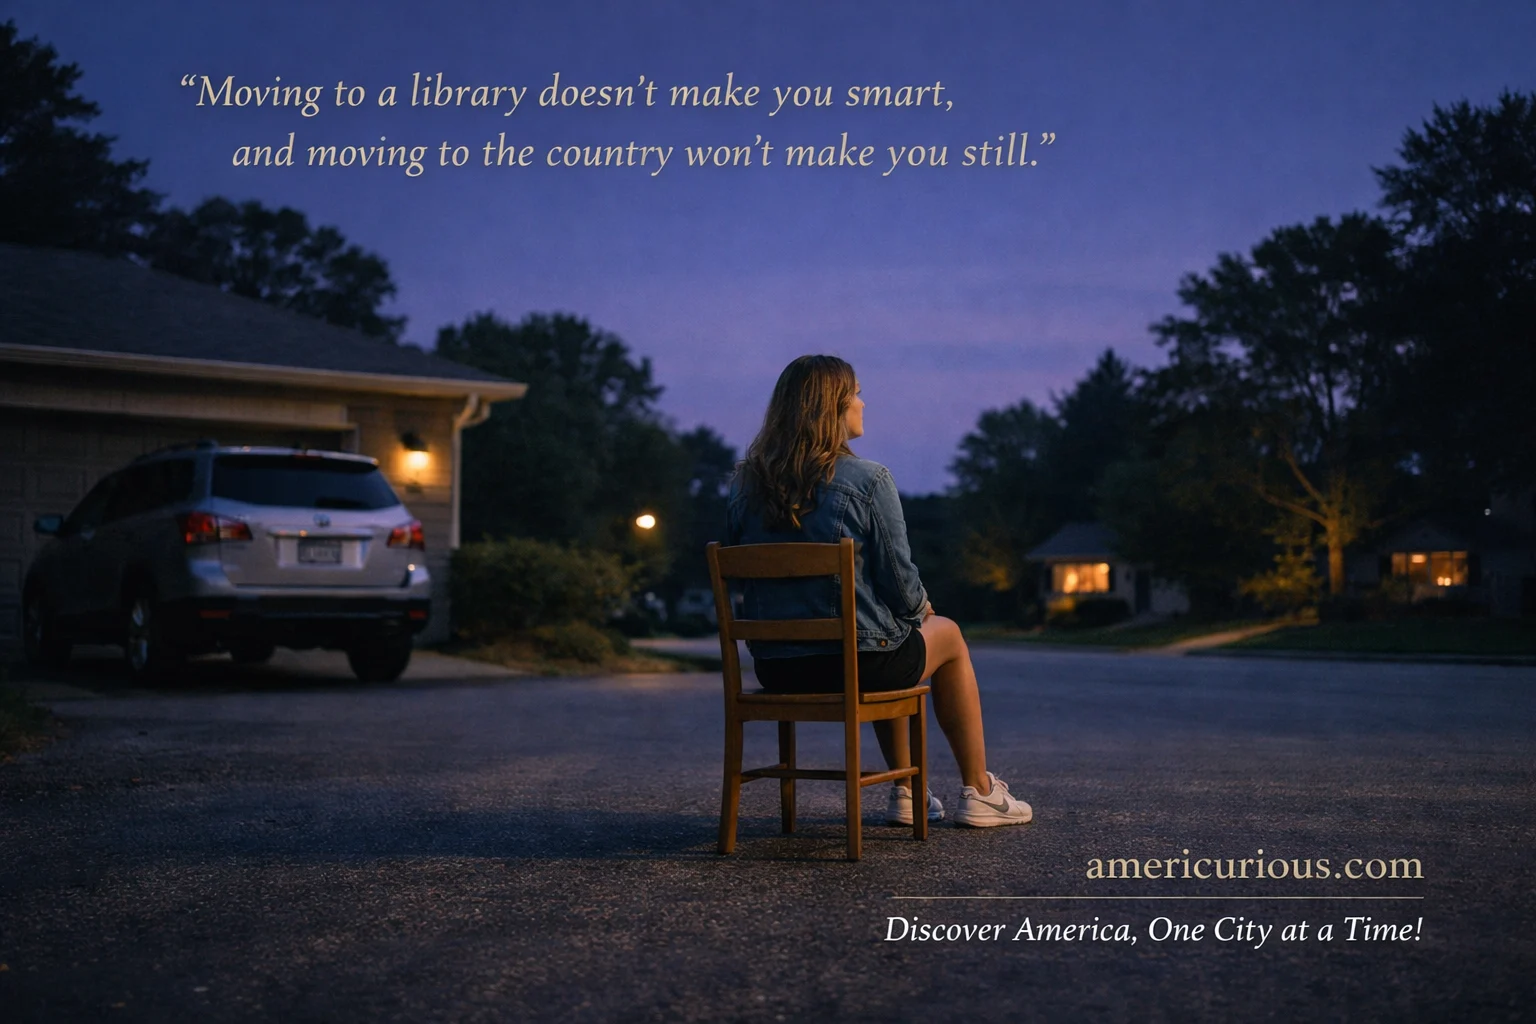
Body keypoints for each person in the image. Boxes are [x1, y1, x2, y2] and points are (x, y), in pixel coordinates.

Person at [726, 354, 1033, 828]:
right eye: (856, 394)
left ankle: (910, 791)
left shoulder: (745, 486)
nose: (863, 403)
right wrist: (921, 607)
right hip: (858, 665)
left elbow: (738, 570)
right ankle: (981, 791)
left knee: (893, 635)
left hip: (778, 668)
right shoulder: (868, 480)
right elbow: (899, 581)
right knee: (939, 634)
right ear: (831, 407)